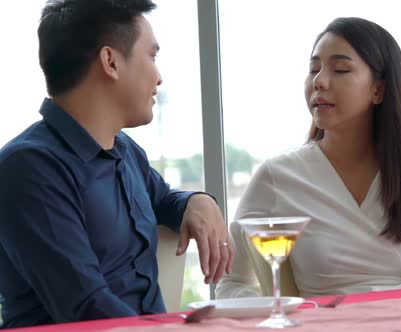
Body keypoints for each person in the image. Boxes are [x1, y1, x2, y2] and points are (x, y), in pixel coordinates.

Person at [0, 0, 233, 328]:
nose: (159, 76)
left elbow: (163, 198)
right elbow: (86, 306)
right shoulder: (28, 168)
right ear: (110, 61)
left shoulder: (124, 151)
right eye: (152, 56)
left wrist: (198, 201)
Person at [215, 17, 401, 299]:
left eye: (341, 69)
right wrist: (281, 314)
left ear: (378, 90)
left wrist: (357, 311)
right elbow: (231, 283)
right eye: (313, 69)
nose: (319, 81)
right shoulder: (278, 176)